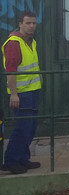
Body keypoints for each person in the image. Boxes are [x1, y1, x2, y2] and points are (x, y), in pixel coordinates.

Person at [1, 11, 42, 175]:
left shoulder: (30, 42)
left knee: (30, 127)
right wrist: (13, 94)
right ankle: (11, 161)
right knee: (23, 127)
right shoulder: (14, 43)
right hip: (22, 94)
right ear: (20, 24)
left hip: (32, 92)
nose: (31, 26)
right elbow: (10, 71)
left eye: (34, 23)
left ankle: (23, 158)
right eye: (28, 23)